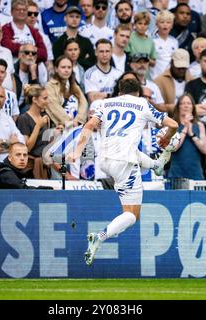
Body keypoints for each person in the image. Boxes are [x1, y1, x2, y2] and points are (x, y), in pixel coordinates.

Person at [68, 78, 179, 266]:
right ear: (138, 92)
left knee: (130, 148)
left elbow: (88, 126)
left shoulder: (105, 103)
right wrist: (166, 138)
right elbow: (174, 124)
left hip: (104, 161)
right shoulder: (142, 104)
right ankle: (100, 236)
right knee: (131, 215)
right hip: (124, 164)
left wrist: (77, 152)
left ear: (119, 91)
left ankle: (155, 165)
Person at [166, 93, 206, 186]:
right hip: (177, 174)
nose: (186, 105)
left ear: (193, 107)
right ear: (178, 107)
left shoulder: (199, 125)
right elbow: (174, 147)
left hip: (195, 173)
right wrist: (185, 127)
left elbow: (205, 149)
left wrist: (192, 134)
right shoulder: (172, 125)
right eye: (182, 103)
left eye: (189, 103)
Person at [16, 84, 51, 179]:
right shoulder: (23, 119)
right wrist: (38, 126)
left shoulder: (45, 117)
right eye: (44, 98)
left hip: (43, 165)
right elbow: (26, 147)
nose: (47, 101)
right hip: (29, 169)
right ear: (34, 99)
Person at [46, 56, 88, 127]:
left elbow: (84, 104)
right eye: (63, 67)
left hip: (77, 125)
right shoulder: (50, 86)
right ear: (56, 69)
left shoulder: (75, 85)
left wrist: (78, 120)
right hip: (61, 127)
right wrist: (70, 122)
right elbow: (53, 107)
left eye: (69, 67)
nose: (66, 70)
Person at [52, 5, 95, 71]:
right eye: (71, 16)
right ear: (65, 18)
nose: (74, 19)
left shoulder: (86, 42)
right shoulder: (59, 42)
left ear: (80, 19)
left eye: (77, 17)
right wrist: (83, 60)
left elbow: (92, 62)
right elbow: (58, 64)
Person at [84, 39, 123, 104]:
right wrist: (113, 96)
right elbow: (93, 99)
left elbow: (123, 97)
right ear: (96, 52)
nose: (104, 54)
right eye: (101, 51)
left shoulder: (119, 74)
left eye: (107, 51)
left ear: (111, 52)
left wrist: (102, 95)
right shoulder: (90, 74)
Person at [150, 10, 178, 80]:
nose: (165, 25)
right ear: (156, 24)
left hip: (171, 78)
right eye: (162, 22)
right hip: (155, 78)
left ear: (172, 25)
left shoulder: (174, 41)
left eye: (168, 22)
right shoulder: (151, 41)